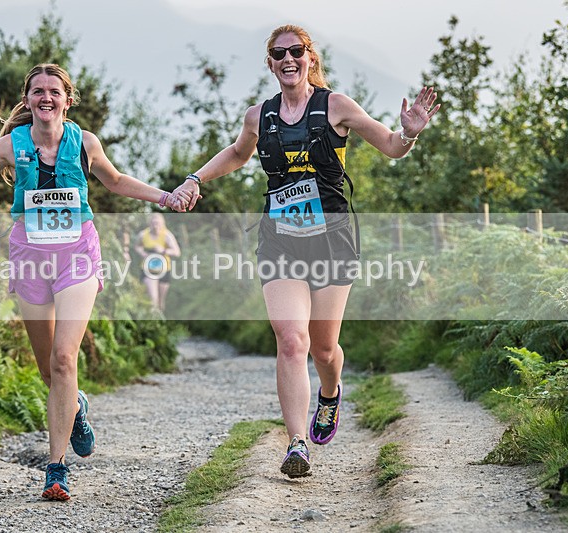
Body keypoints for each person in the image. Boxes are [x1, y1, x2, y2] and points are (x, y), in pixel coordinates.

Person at [0, 63, 183, 501]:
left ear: (68, 100)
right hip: (29, 258)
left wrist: (164, 196)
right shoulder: (10, 146)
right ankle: (76, 409)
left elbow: (116, 181)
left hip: (77, 256)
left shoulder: (85, 142)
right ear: (27, 100)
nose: (46, 97)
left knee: (65, 359)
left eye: (54, 91)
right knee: (49, 368)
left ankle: (56, 469)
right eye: (38, 91)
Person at [172, 25, 439, 478]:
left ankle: (330, 393)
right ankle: (297, 443)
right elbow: (237, 153)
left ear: (310, 58)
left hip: (332, 238)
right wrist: (196, 178)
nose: (288, 59)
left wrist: (409, 133)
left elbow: (391, 146)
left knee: (323, 348)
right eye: (279, 54)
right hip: (280, 238)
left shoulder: (336, 106)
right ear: (271, 64)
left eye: (296, 51)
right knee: (292, 340)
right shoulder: (259, 116)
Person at [133, 213, 181, 312]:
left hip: (164, 269)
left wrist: (163, 250)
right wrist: (143, 253)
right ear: (149, 224)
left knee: (160, 302)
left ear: (162, 224)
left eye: (158, 223)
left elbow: (177, 252)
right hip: (148, 269)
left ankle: (160, 318)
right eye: (154, 223)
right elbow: (137, 246)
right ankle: (152, 318)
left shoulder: (167, 235)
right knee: (153, 299)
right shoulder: (143, 234)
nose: (156, 226)